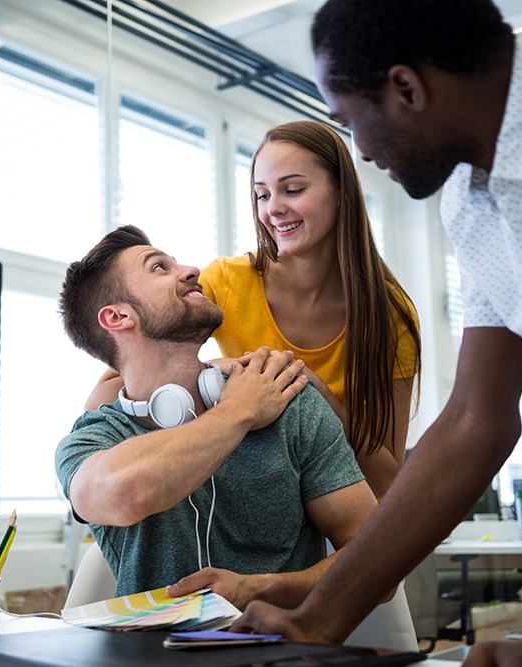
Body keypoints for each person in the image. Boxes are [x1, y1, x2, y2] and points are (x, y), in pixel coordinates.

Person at [233, 1, 522, 665]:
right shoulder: (468, 205)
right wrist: (319, 614)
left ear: (408, 89)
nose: (361, 147)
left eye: (353, 119)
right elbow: (476, 418)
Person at [85, 120, 422, 499]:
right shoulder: (225, 283)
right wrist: (228, 373)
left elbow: (386, 479)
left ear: (341, 191)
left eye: (292, 190)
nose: (274, 209)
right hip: (253, 498)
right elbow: (104, 398)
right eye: (262, 195)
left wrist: (316, 393)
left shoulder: (389, 314)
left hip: (335, 502)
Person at [56, 225, 380, 610]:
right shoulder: (93, 439)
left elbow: (377, 560)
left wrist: (259, 589)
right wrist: (239, 411)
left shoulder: (286, 400)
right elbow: (128, 493)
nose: (191, 270)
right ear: (118, 316)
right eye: (159, 268)